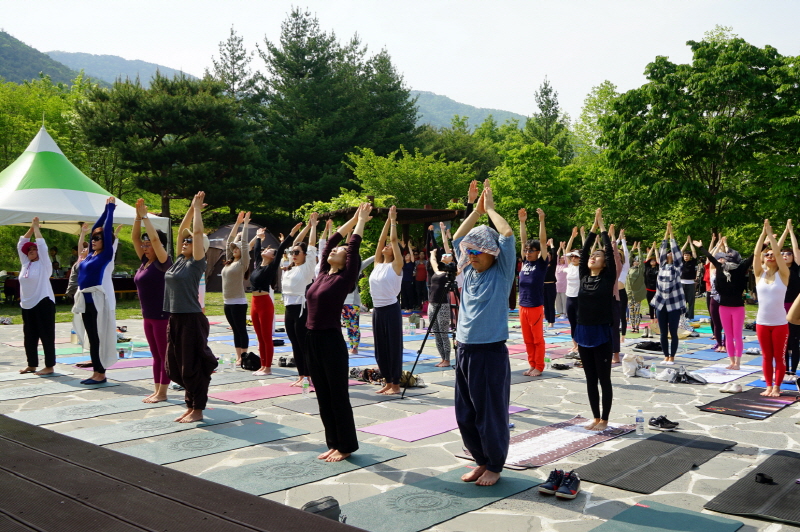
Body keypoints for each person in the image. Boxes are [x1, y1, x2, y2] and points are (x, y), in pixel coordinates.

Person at [451, 179, 515, 487]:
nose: (472, 254)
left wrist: (489, 209)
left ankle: (495, 464)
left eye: (478, 250)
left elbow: (507, 235)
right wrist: (474, 210)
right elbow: (459, 237)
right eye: (470, 251)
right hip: (464, 349)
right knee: (465, 413)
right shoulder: (469, 271)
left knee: (490, 413)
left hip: (489, 351)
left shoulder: (501, 272)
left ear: (491, 252)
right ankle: (480, 460)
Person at [306, 203, 373, 462]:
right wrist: (351, 219)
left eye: (340, 251)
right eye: (335, 250)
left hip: (330, 341)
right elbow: (330, 241)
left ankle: (345, 445)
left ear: (347, 261)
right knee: (322, 394)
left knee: (337, 396)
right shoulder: (323, 273)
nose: (335, 250)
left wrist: (361, 222)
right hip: (311, 339)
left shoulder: (345, 278)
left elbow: (353, 247)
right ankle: (333, 442)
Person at [164, 191, 218, 423]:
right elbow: (182, 231)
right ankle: (190, 404)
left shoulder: (197, 263)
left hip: (191, 319)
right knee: (175, 366)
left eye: (190, 242)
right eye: (184, 242)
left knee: (191, 366)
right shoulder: (179, 261)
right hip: (175, 318)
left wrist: (197, 211)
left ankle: (197, 408)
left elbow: (195, 233)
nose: (185, 242)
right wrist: (191, 206)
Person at [574, 209, 616, 432]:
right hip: (583, 332)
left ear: (604, 263)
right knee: (590, 378)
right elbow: (583, 254)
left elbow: (609, 252)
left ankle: (605, 419)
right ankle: (595, 417)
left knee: (603, 378)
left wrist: (602, 229)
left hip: (601, 332)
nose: (593, 257)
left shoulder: (608, 278)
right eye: (592, 255)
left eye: (597, 256)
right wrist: (592, 228)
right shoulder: (583, 275)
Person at [250, 221, 305, 375]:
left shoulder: (271, 267)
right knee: (259, 337)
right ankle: (262, 365)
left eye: (269, 250)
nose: (265, 250)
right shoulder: (259, 264)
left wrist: (292, 233)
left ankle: (267, 367)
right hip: (254, 303)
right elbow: (255, 250)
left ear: (273, 257)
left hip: (265, 303)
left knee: (266, 337)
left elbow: (281, 250)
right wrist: (259, 237)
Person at [72, 197, 118, 385]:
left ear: (105, 241)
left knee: (99, 337)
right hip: (85, 300)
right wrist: (103, 210)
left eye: (98, 238)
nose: (94, 240)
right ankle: (96, 372)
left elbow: (105, 230)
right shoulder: (91, 254)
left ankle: (101, 373)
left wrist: (111, 210)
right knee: (92, 337)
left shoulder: (106, 254)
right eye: (93, 239)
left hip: (97, 301)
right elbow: (95, 229)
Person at [132, 199, 172, 402]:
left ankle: (163, 393)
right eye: (144, 245)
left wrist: (146, 217)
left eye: (149, 245)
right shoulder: (145, 262)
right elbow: (134, 238)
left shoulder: (164, 263)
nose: (145, 247)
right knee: (155, 356)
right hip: (148, 317)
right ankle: (157, 390)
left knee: (164, 355)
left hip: (162, 316)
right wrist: (138, 218)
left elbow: (156, 240)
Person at [694, 236, 753, 370]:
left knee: (737, 335)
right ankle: (731, 362)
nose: (726, 258)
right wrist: (700, 247)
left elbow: (752, 256)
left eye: (729, 256)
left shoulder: (741, 268)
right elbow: (710, 257)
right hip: (724, 307)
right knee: (728, 335)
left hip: (737, 307)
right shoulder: (721, 268)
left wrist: (765, 244)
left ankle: (737, 362)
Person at [752, 219, 790, 397]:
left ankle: (777, 387)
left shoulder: (783, 274)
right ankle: (768, 386)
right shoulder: (759, 274)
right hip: (762, 322)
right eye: (766, 255)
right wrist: (763, 234)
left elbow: (776, 251)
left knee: (779, 357)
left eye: (772, 255)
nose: (770, 256)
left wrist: (771, 235)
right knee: (766, 356)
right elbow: (755, 255)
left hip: (780, 323)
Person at [369, 206, 404, 395]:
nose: (387, 246)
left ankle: (396, 384)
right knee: (380, 348)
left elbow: (392, 239)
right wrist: (386, 221)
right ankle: (387, 381)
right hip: (377, 310)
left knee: (393, 347)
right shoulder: (377, 263)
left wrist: (392, 220)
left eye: (390, 247)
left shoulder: (396, 265)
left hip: (390, 309)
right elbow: (382, 240)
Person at [280, 217, 318, 386]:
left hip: (302, 308)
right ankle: (301, 375)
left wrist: (313, 227)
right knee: (295, 343)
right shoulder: (288, 268)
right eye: (292, 253)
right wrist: (305, 228)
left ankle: (310, 375)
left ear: (305, 255)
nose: (293, 255)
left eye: (297, 253)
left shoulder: (307, 268)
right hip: (289, 309)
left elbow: (310, 246)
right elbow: (294, 244)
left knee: (304, 344)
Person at [17, 217, 56, 376]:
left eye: (34, 250)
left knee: (46, 335)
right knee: (29, 336)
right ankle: (32, 364)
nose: (32, 252)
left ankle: (49, 366)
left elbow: (43, 246)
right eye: (30, 251)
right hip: (27, 304)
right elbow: (21, 244)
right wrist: (31, 229)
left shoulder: (44, 264)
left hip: (43, 302)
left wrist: (37, 229)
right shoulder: (26, 263)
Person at [517, 207, 548, 376]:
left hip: (535, 305)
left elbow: (542, 242)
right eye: (527, 250)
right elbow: (522, 242)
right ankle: (532, 364)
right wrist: (522, 222)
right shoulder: (526, 262)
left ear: (538, 253)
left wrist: (541, 221)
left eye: (531, 250)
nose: (527, 252)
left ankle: (539, 366)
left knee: (537, 339)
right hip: (522, 305)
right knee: (528, 340)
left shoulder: (541, 262)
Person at [651, 222, 685, 365]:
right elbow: (662, 249)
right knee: (663, 332)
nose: (669, 254)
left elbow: (676, 252)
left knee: (673, 332)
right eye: (668, 254)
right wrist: (666, 232)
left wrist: (671, 235)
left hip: (674, 304)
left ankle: (672, 356)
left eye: (671, 253)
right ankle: (666, 355)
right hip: (660, 303)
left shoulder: (677, 268)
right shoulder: (662, 266)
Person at [221, 211, 251, 365]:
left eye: (236, 249)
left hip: (238, 302)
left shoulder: (242, 263)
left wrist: (245, 225)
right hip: (227, 301)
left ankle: (244, 357)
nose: (234, 250)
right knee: (234, 329)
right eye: (233, 249)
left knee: (241, 329)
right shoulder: (229, 261)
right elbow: (228, 242)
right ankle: (238, 356)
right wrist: (237, 223)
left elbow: (244, 244)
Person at [428, 222, 457, 368]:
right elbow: (433, 260)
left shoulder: (451, 273)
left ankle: (447, 359)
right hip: (432, 304)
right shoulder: (437, 271)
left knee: (443, 333)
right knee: (436, 333)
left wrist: (446, 235)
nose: (445, 255)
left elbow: (448, 248)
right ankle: (442, 358)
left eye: (448, 255)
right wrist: (433, 254)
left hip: (443, 305)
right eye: (444, 254)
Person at [778, 220, 800, 382]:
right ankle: (784, 370)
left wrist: (790, 231)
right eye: (784, 255)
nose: (785, 256)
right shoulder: (779, 268)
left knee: (794, 339)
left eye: (788, 254)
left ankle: (793, 371)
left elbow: (796, 250)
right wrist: (783, 233)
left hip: (794, 307)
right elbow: (776, 250)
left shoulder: (797, 268)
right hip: (780, 307)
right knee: (783, 340)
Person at [564, 227, 581, 355]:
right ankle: (574, 345)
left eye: (576, 257)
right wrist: (572, 237)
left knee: (580, 321)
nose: (573, 258)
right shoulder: (570, 265)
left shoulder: (583, 268)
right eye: (572, 257)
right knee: (572, 322)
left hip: (580, 298)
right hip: (569, 296)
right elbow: (566, 251)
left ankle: (581, 345)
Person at [625, 242, 646, 334]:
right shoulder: (628, 269)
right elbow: (628, 259)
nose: (636, 262)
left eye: (637, 261)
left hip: (637, 294)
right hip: (629, 293)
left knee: (637, 312)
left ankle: (636, 327)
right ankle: (632, 327)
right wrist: (632, 250)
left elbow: (642, 260)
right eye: (635, 260)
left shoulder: (640, 270)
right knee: (631, 312)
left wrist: (639, 250)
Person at [680, 237, 699, 321]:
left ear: (690, 256)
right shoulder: (681, 262)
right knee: (682, 301)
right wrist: (686, 242)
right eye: (685, 255)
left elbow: (694, 252)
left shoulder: (693, 262)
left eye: (687, 255)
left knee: (691, 301)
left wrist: (691, 244)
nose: (686, 256)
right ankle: (682, 315)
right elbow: (680, 251)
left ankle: (690, 316)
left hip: (691, 283)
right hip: (682, 283)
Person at [400, 241, 417, 311]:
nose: (407, 256)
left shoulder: (412, 263)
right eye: (406, 255)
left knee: (410, 294)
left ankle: (410, 307)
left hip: (409, 280)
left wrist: (409, 246)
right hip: (403, 280)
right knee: (404, 295)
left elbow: (412, 255)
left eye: (408, 256)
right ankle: (406, 307)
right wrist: (402, 248)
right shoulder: (403, 263)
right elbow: (400, 256)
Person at [555, 241, 569, 318]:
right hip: (557, 286)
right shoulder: (557, 265)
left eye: (562, 258)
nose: (561, 259)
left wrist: (563, 248)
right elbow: (556, 255)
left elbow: (566, 256)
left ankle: (565, 313)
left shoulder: (566, 266)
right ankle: (560, 312)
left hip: (564, 286)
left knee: (564, 300)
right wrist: (559, 248)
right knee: (558, 300)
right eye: (561, 258)